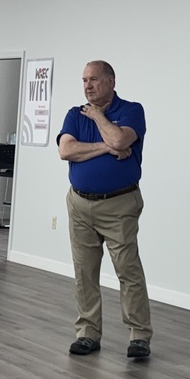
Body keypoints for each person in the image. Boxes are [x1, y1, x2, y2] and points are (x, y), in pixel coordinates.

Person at [57, 60, 152, 359]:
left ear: (111, 81)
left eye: (94, 79)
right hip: (80, 203)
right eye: (84, 80)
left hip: (119, 204)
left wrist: (99, 117)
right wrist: (106, 147)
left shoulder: (131, 110)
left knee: (128, 269)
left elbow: (121, 138)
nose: (87, 85)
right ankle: (87, 333)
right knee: (84, 272)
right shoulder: (74, 114)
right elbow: (66, 150)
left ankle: (139, 335)